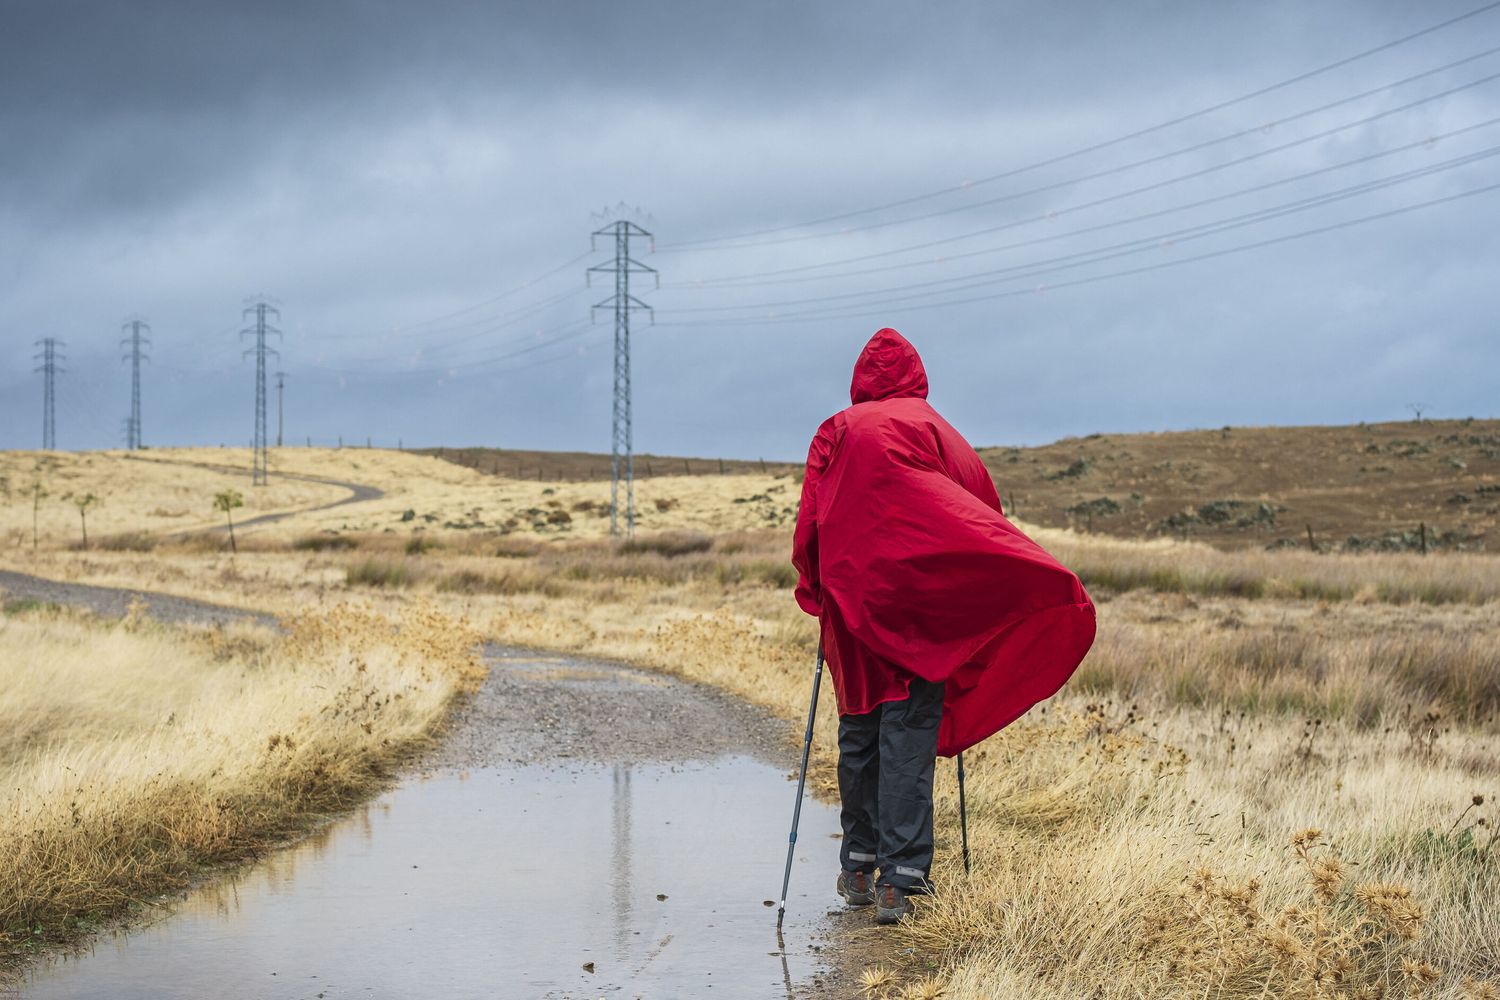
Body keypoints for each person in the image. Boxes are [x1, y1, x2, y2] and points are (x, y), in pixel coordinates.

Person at [791, 327, 1096, 925]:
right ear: (916, 375)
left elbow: (809, 526)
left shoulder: (836, 431)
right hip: (922, 613)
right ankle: (901, 882)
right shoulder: (938, 432)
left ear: (859, 381)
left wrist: (819, 589)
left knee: (859, 729)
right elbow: (979, 509)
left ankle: (858, 864)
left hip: (852, 611)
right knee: (907, 732)